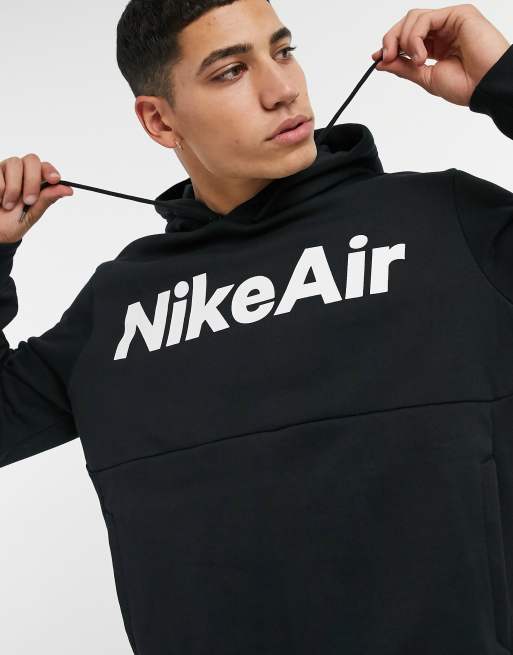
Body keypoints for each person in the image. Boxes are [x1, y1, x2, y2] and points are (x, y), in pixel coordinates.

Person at [1, 1, 513, 653]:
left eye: (283, 50)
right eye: (230, 72)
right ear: (159, 120)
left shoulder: (448, 223)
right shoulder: (120, 307)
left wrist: (505, 79)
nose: (282, 90)